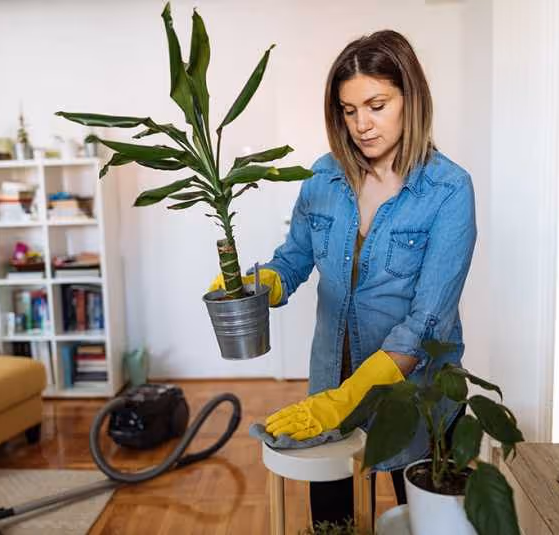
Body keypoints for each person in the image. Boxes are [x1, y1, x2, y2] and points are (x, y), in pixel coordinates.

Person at [210, 29, 476, 526]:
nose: (362, 125)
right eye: (348, 110)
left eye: (376, 105)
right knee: (331, 523)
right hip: (330, 380)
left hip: (411, 400)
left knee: (418, 521)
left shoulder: (449, 190)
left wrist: (350, 397)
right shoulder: (323, 177)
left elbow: (428, 324)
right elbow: (293, 260)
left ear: (410, 98)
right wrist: (254, 286)